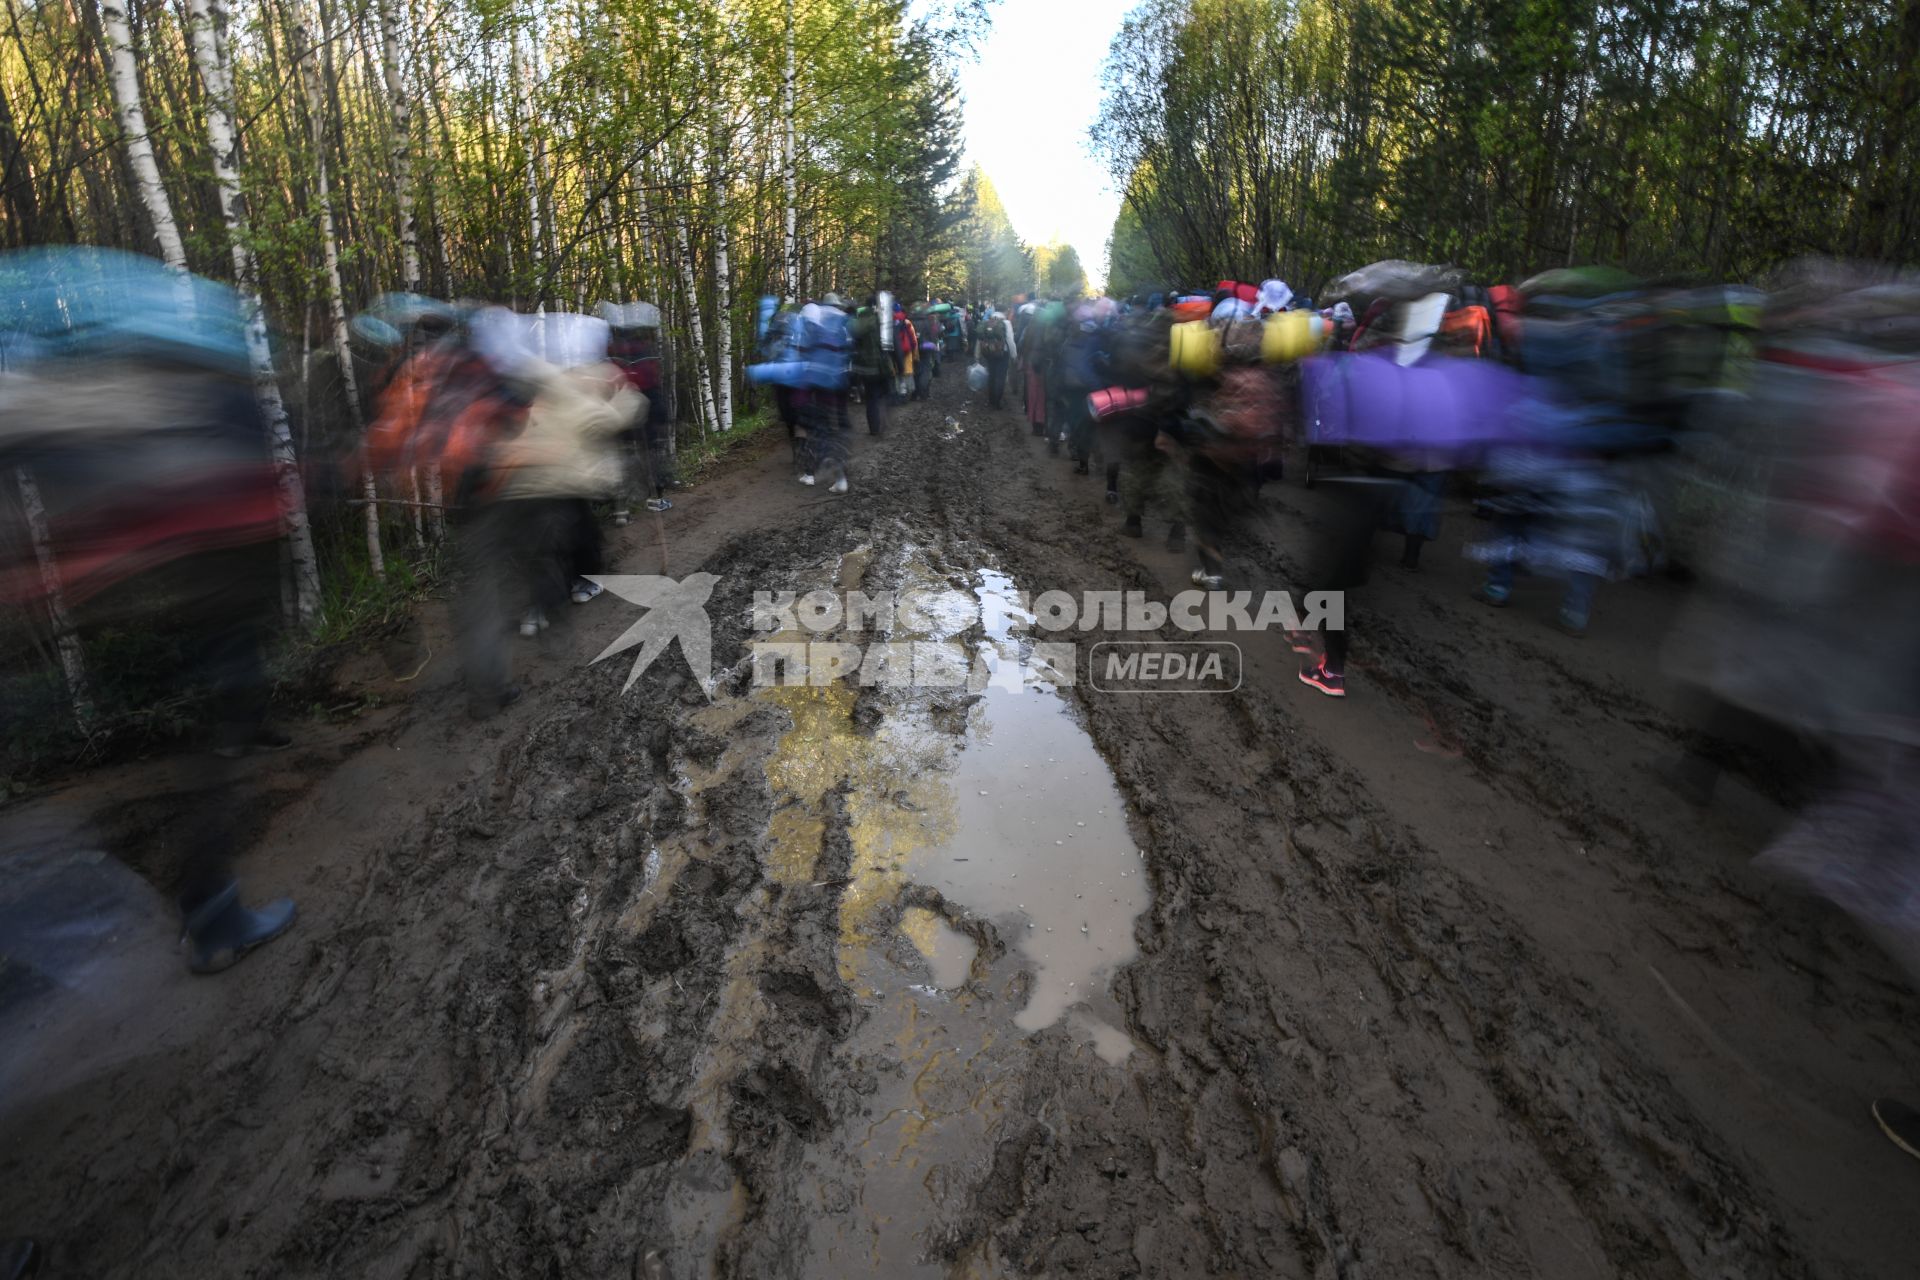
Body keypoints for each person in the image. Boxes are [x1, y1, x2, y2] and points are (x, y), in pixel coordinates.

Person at [850, 294, 892, 437]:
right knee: (883, 394)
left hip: (864, 367)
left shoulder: (858, 322)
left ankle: (873, 428)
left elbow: (854, 344)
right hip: (880, 365)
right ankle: (883, 424)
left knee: (871, 397)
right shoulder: (880, 321)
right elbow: (886, 345)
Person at [975, 304, 1017, 409]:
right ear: (1004, 311)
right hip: (1002, 353)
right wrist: (1014, 355)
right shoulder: (1006, 323)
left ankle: (991, 399)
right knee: (1000, 377)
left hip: (989, 352)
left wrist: (977, 355)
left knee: (992, 374)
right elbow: (1010, 340)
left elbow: (980, 339)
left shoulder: (987, 321)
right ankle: (997, 401)